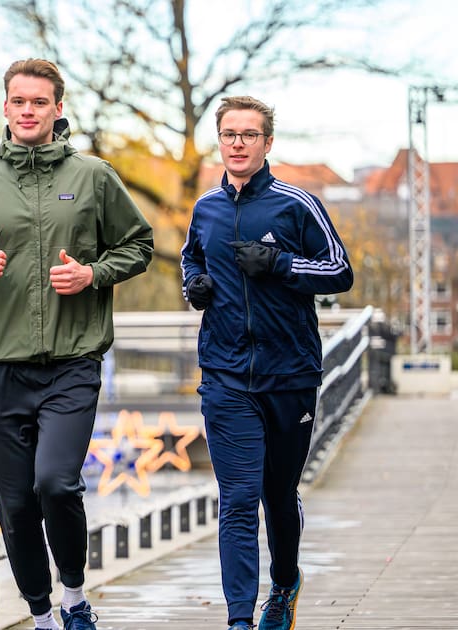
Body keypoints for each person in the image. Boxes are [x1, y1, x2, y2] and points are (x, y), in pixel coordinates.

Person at [0, 58, 153, 630]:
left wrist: (93, 274)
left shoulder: (94, 177)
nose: (28, 111)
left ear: (57, 109)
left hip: (74, 362)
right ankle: (43, 615)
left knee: (55, 482)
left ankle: (74, 596)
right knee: (15, 504)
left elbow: (139, 244)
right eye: (18, 101)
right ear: (5, 109)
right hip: (2, 368)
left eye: (39, 102)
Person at [180, 96, 353, 630]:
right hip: (226, 374)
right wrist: (194, 286)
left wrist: (280, 262)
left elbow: (339, 271)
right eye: (229, 134)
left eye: (249, 135)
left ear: (267, 143)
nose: (238, 143)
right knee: (236, 499)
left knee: (277, 496)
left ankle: (283, 586)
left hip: (289, 374)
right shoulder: (206, 207)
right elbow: (191, 256)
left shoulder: (296, 204)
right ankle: (239, 621)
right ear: (220, 140)